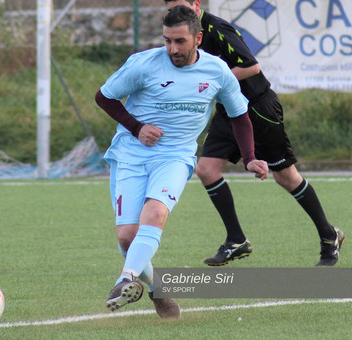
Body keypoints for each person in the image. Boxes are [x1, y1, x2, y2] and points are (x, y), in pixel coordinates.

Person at [95, 5, 268, 317]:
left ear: (198, 38)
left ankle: (125, 279)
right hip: (130, 155)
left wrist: (250, 158)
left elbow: (239, 115)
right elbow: (104, 96)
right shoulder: (143, 64)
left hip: (175, 156)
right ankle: (155, 289)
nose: (172, 49)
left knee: (155, 214)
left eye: (180, 42)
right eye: (167, 41)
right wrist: (137, 128)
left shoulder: (217, 71)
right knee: (126, 236)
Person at [164, 0, 344, 266]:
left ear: (196, 4)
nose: (177, 12)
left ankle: (329, 237)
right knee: (206, 169)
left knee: (285, 177)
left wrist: (211, 85)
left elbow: (251, 66)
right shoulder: (180, 38)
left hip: (258, 108)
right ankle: (236, 240)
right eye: (170, 9)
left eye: (182, 6)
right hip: (229, 110)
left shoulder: (216, 28)